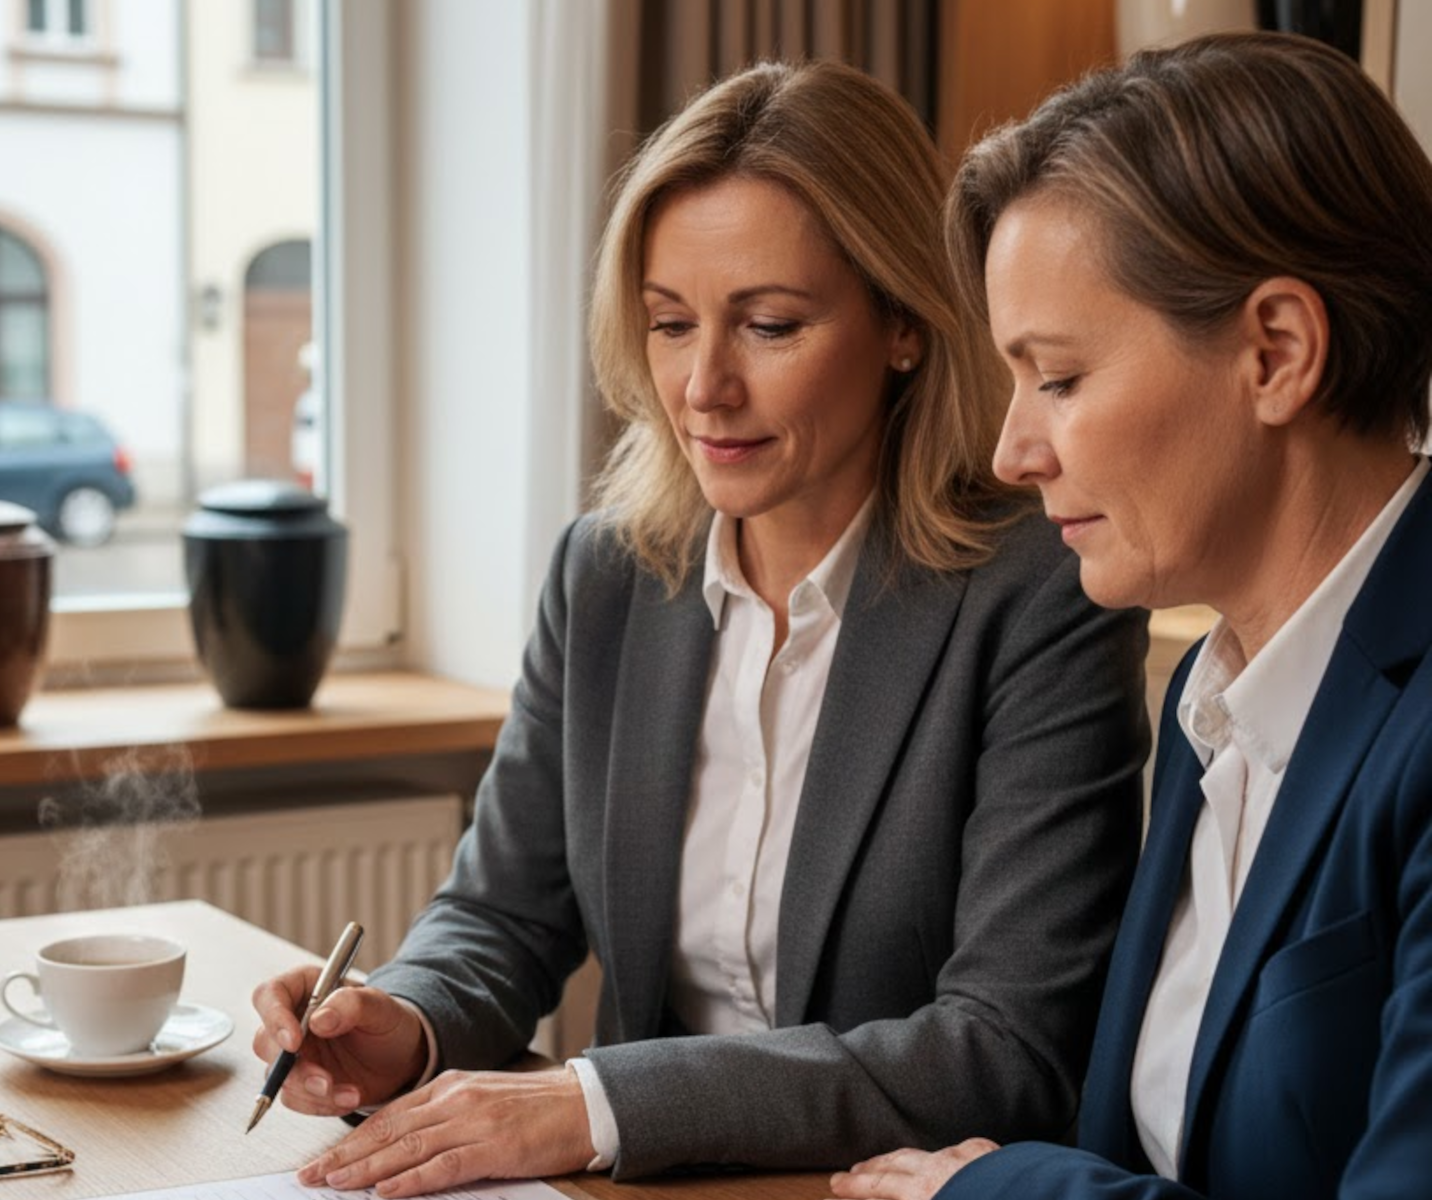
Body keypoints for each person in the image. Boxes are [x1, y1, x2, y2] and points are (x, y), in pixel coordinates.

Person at [251, 59, 1150, 1195]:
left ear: (907, 326)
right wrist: (404, 1017)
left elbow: (1005, 1046)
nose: (704, 387)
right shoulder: (609, 573)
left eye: (769, 325)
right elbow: (501, 912)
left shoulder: (1036, 592)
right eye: (671, 324)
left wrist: (593, 1102)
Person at [828, 31, 1432, 1200]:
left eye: (1056, 377)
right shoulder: (1208, 694)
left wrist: (998, 1192)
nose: (1011, 451)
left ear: (1276, 352)